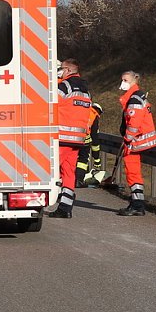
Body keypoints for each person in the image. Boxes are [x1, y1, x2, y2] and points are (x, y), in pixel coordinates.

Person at [50, 58, 92, 218]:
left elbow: (51, 104)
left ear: (67, 70)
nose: (60, 71)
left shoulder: (64, 86)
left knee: (50, 170)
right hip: (78, 138)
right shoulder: (85, 89)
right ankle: (65, 208)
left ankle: (39, 204)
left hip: (63, 136)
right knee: (69, 172)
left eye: (61, 69)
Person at [117, 70, 156, 216]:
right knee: (134, 173)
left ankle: (137, 205)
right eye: (122, 80)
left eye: (125, 80)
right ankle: (137, 203)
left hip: (136, 140)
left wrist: (127, 139)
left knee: (132, 172)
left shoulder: (134, 98)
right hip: (141, 138)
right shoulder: (138, 95)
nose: (123, 83)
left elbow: (134, 122)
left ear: (134, 80)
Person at [76, 102, 104, 187]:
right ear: (98, 111)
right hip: (84, 141)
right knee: (82, 161)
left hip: (70, 138)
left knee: (71, 160)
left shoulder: (81, 110)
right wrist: (96, 158)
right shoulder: (93, 115)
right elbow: (94, 138)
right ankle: (78, 180)